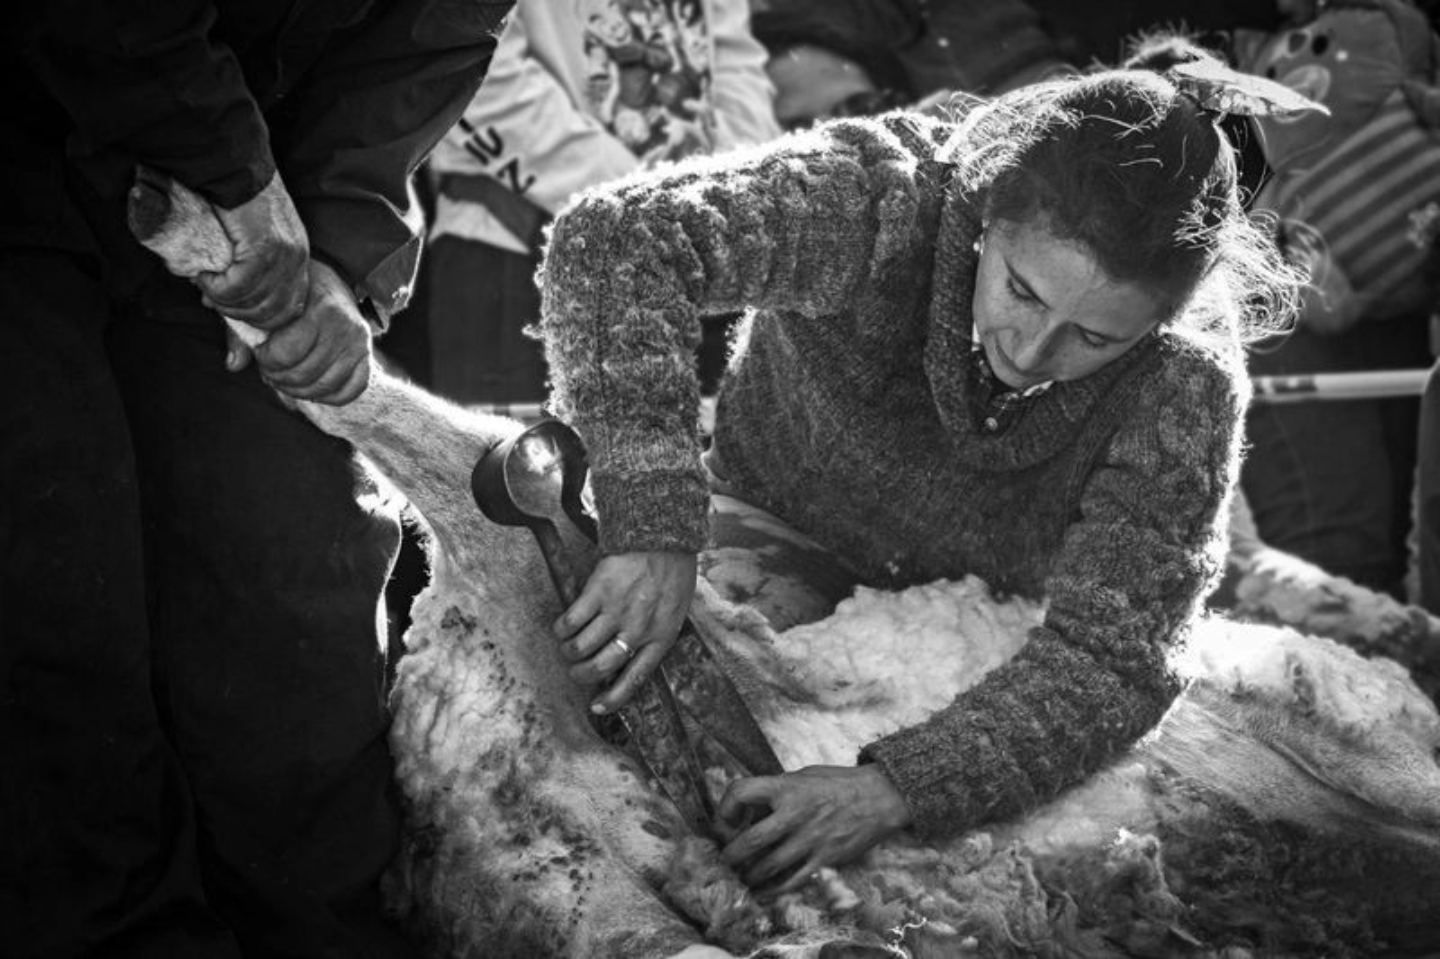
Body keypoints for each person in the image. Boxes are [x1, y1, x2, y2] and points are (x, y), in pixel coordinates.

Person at [534, 63, 1306, 886]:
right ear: (990, 204)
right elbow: (620, 238)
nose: (1032, 349)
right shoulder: (884, 199)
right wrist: (651, 512)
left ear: (1161, 322)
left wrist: (894, 788)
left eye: (1095, 338)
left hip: (969, 644)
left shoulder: (1180, 382)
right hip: (747, 541)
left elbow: (1119, 653)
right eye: (1020, 289)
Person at [1, 1, 509, 956]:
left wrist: (335, 261)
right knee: (56, 580)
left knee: (290, 570)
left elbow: (414, 58)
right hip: (38, 142)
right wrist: (237, 176)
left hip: (239, 202)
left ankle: (326, 933)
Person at [394, 0, 781, 407]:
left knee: (699, 462)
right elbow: (470, 65)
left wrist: (733, 198)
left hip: (702, 260)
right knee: (533, 465)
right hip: (524, 252)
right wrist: (649, 203)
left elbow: (733, 59)